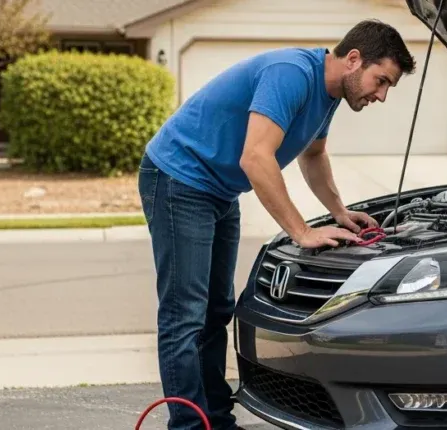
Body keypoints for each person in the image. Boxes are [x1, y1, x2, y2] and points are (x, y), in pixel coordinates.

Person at [137, 19, 416, 430]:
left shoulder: (329, 94)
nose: (382, 95)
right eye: (381, 81)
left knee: (216, 311)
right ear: (354, 59)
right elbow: (255, 158)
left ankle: (215, 418)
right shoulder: (292, 75)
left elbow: (314, 155)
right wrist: (301, 231)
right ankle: (189, 426)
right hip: (180, 179)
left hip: (218, 189)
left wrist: (340, 212)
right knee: (185, 317)